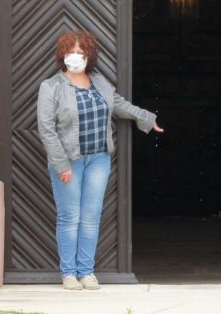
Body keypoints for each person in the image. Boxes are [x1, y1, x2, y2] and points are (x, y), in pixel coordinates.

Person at [37, 30, 163, 290]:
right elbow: (46, 129)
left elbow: (118, 104)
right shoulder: (51, 87)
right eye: (70, 52)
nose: (75, 57)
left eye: (80, 53)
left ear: (89, 56)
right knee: (70, 217)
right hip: (69, 161)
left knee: (92, 217)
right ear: (62, 55)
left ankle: (86, 272)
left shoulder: (98, 82)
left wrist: (147, 118)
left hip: (98, 159)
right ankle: (69, 273)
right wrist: (61, 165)